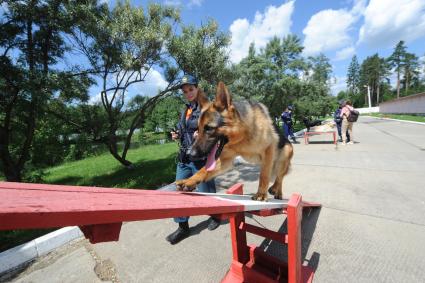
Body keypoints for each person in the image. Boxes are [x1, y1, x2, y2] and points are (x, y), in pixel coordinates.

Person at [166, 74, 220, 245]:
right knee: (180, 192)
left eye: (191, 89)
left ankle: (216, 215)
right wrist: (176, 134)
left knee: (207, 192)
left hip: (202, 159)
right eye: (185, 91)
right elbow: (184, 131)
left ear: (198, 88)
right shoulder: (186, 110)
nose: (188, 93)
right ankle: (183, 227)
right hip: (184, 158)